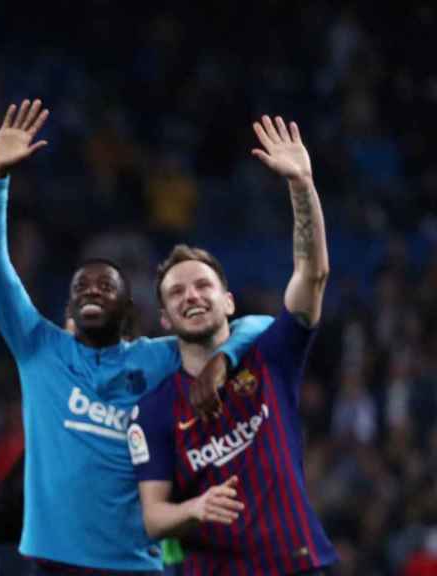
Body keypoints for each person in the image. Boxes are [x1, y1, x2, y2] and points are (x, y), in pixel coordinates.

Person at [0, 98, 273, 574]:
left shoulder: (160, 358)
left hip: (137, 567)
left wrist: (220, 361)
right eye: (81, 286)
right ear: (68, 307)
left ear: (129, 307)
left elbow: (260, 328)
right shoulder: (38, 348)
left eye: (106, 285)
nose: (92, 289)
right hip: (54, 565)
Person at [129, 115, 337, 574]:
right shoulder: (155, 410)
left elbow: (313, 274)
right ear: (165, 318)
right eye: (177, 293)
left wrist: (302, 185)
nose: (192, 296)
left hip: (298, 564)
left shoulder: (271, 357)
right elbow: (153, 516)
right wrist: (194, 509)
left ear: (228, 302)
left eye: (203, 286)